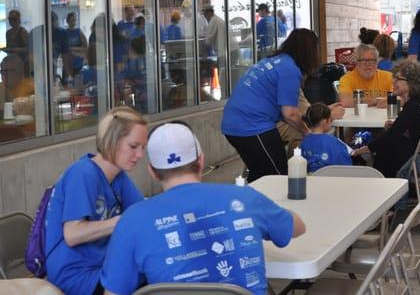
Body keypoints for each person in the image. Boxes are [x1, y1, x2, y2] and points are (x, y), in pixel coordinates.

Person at [100, 122, 305, 295]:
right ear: (201, 160)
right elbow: (297, 227)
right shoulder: (245, 198)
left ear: (152, 172)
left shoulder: (132, 220)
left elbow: (113, 292)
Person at [45, 106, 147, 295]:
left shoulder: (118, 177)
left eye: (143, 148)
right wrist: (122, 221)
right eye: (133, 146)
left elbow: (142, 213)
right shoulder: (83, 174)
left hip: (104, 265)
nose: (140, 155)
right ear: (112, 141)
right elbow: (73, 233)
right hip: (76, 274)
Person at [222, 28, 318, 182]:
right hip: (251, 126)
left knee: (261, 172)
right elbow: (290, 113)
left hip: (234, 122)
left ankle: (254, 202)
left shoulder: (274, 61)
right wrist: (307, 132)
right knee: (276, 177)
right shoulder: (290, 69)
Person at [353, 60, 420, 178]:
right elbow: (416, 129)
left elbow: (391, 136)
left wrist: (366, 149)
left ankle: (383, 186)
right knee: (392, 143)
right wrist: (397, 127)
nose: (393, 81)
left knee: (387, 148)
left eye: (398, 79)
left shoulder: (412, 107)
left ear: (412, 83)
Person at [276, 89, 344, 159]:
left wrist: (326, 109)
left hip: (275, 120)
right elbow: (296, 113)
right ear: (325, 121)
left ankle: (295, 163)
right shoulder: (335, 143)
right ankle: (293, 164)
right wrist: (329, 113)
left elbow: (308, 111)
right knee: (299, 131)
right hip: (273, 123)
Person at [300, 102, 352, 172]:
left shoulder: (304, 142)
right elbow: (347, 167)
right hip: (333, 180)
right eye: (331, 120)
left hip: (311, 180)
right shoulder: (334, 142)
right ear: (325, 122)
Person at [338, 44, 393, 108]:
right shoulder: (347, 79)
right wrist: (377, 100)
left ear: (376, 63)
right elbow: (346, 101)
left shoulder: (388, 77)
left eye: (371, 60)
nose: (367, 64)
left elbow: (399, 98)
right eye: (363, 60)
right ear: (356, 62)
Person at [4, 9, 29, 76]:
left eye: (14, 19)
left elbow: (29, 49)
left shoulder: (22, 32)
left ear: (18, 20)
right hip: (12, 63)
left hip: (22, 63)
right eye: (10, 19)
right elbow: (8, 47)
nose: (11, 21)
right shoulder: (8, 33)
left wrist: (17, 50)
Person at [63, 12, 88, 78]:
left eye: (74, 20)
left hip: (78, 63)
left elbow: (85, 47)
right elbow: (63, 48)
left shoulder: (78, 31)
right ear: (67, 21)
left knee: (78, 83)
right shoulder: (64, 33)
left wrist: (72, 49)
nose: (73, 22)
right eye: (71, 20)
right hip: (68, 63)